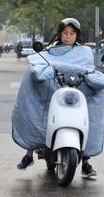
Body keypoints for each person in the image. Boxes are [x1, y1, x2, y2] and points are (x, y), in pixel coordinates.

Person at [16, 17, 97, 177]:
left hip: (76, 89)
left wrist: (92, 78)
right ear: (59, 34)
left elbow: (89, 68)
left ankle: (86, 160)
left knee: (92, 108)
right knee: (38, 112)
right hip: (53, 89)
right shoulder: (50, 51)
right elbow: (40, 64)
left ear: (77, 35)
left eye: (72, 33)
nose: (68, 36)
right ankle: (29, 153)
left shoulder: (84, 52)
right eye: (65, 33)